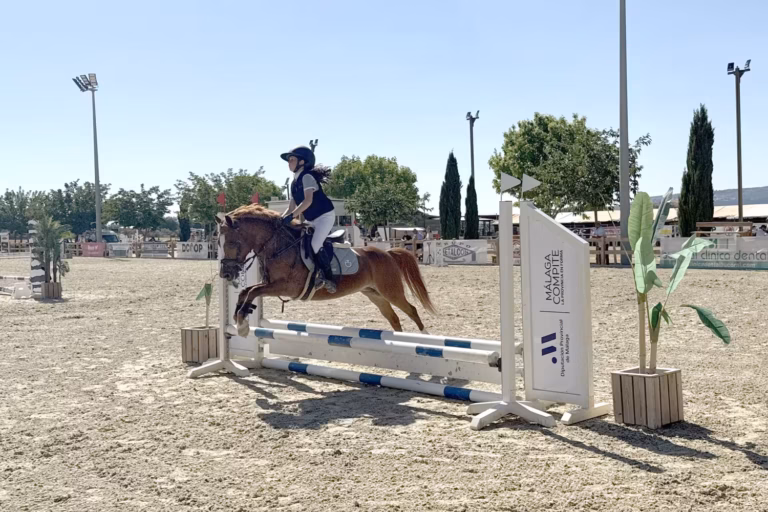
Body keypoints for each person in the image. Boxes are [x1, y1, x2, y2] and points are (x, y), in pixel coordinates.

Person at [280, 146, 337, 293]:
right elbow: (292, 206)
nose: (289, 163)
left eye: (292, 159)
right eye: (289, 160)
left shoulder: (307, 177)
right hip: (312, 219)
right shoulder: (294, 182)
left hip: (325, 216)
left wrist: (291, 217)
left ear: (302, 162)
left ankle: (329, 278)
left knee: (314, 244)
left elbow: (307, 202)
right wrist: (281, 219)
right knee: (299, 242)